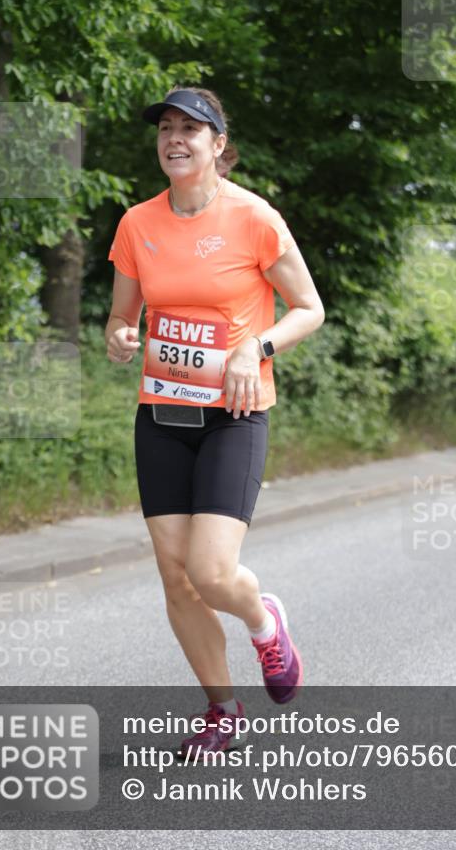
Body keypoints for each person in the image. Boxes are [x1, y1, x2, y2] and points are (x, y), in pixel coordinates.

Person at [105, 86, 325, 758]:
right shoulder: (137, 224)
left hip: (235, 414)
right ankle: (221, 709)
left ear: (217, 146)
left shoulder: (254, 218)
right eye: (165, 129)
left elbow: (308, 307)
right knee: (174, 576)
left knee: (208, 569)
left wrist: (252, 349)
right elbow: (122, 316)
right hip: (162, 412)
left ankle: (264, 624)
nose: (174, 139)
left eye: (189, 130)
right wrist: (117, 335)